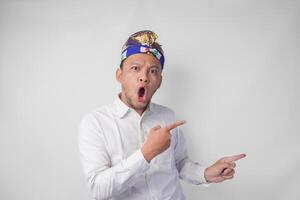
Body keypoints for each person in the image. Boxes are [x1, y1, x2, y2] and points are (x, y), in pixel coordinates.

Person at [78, 30, 246, 200]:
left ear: (159, 81)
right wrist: (146, 153)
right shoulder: (95, 123)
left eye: (153, 71)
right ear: (119, 75)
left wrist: (206, 173)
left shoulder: (168, 116)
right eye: (135, 68)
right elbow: (98, 190)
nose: (144, 77)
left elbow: (179, 163)